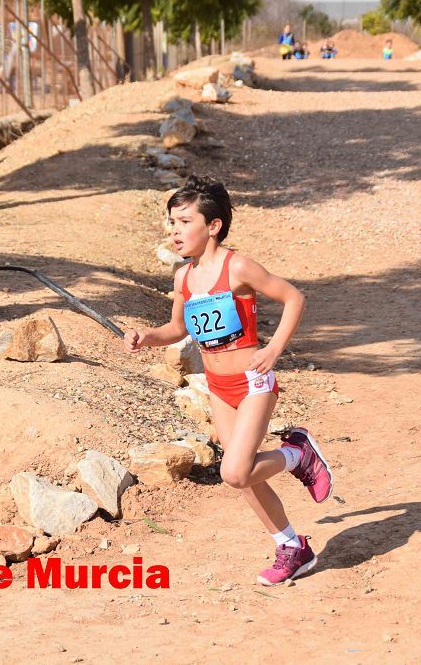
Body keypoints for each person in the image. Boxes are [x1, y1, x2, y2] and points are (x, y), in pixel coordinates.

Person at [123, 176, 334, 586]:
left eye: (184, 221)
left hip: (252, 381)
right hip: (217, 386)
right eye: (171, 222)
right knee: (245, 474)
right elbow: (177, 328)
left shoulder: (237, 266)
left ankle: (298, 456)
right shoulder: (183, 277)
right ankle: (292, 547)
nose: (174, 230)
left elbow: (294, 298)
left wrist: (273, 349)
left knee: (235, 472)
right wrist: (146, 337)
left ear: (213, 226)